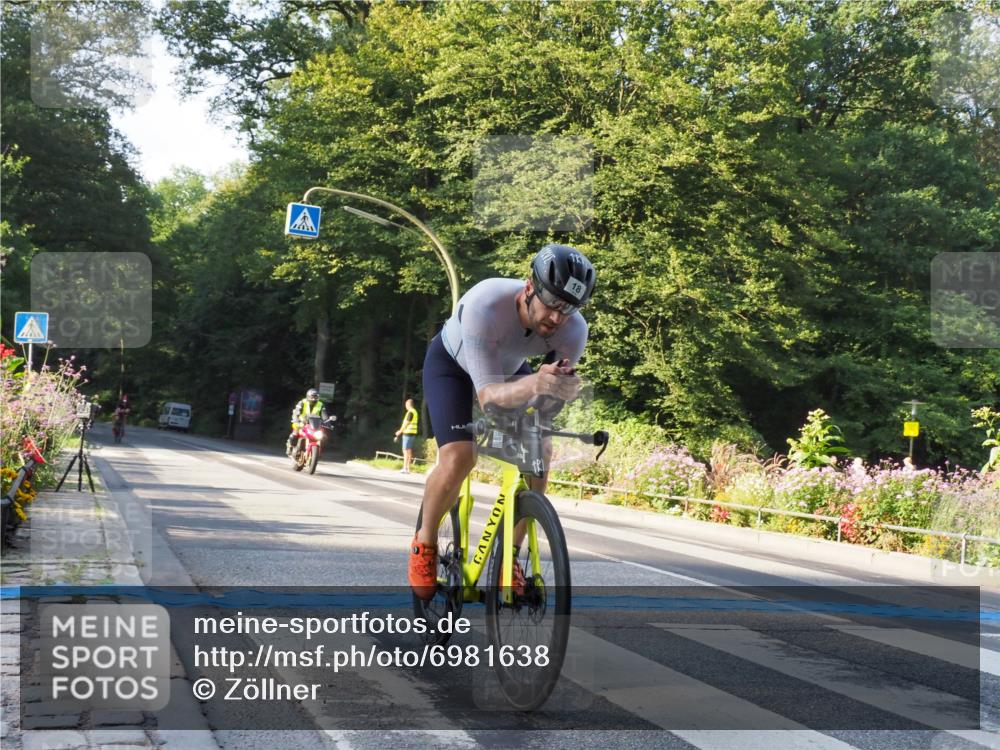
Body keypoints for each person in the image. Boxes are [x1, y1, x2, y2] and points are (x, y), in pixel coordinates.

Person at [409, 244, 596, 599]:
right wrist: (537, 383)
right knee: (460, 456)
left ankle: (509, 556)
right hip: (452, 368)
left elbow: (545, 404)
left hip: (509, 371)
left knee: (540, 449)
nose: (557, 317)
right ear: (529, 288)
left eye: (569, 308)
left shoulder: (574, 331)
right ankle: (425, 542)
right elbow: (489, 398)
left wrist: (559, 394)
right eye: (552, 303)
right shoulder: (486, 304)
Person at [287, 388, 328, 455]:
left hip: (314, 424)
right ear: (308, 396)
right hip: (302, 421)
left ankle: (318, 453)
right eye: (312, 397)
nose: (314, 399)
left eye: (315, 397)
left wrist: (327, 422)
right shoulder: (302, 402)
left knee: (323, 436)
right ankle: (290, 446)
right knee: (295, 432)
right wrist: (296, 419)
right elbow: (297, 411)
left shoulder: (321, 404)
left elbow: (324, 414)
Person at [394, 398, 420, 473]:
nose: (405, 406)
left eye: (406, 405)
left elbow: (406, 423)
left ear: (408, 404)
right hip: (412, 433)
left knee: (405, 450)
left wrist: (399, 432)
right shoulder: (415, 412)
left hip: (408, 433)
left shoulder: (410, 412)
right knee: (409, 450)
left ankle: (405, 468)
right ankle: (408, 468)